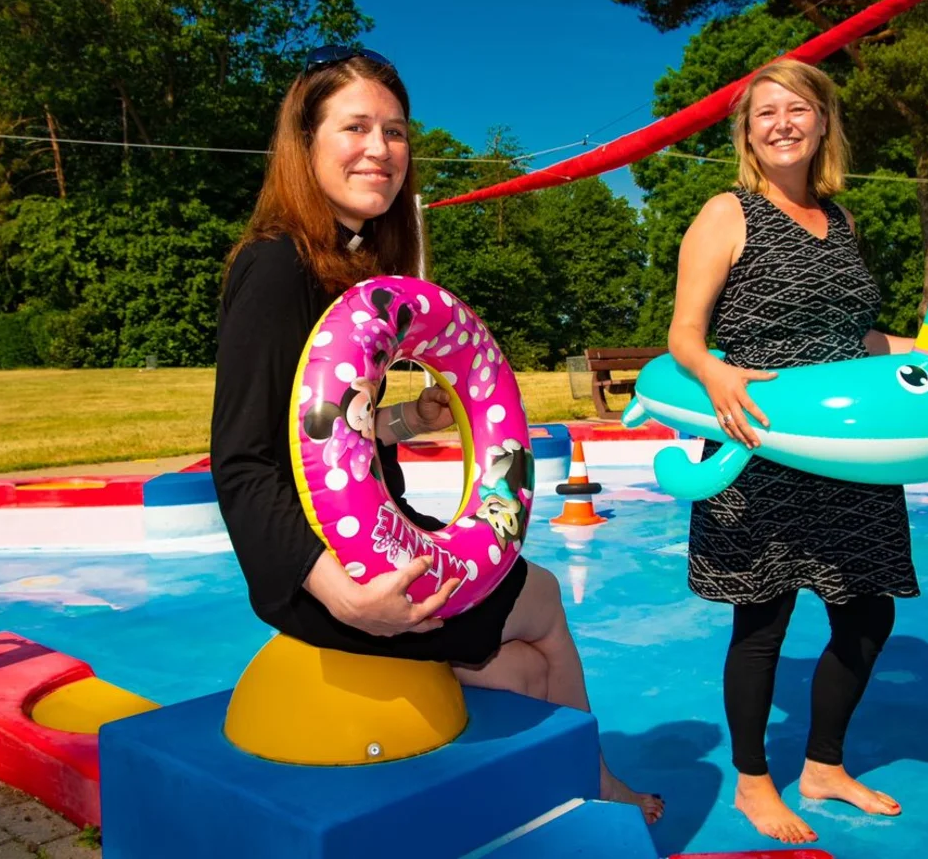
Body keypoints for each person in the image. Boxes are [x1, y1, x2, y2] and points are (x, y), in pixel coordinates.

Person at [209, 45, 662, 824]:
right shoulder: (277, 267)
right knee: (545, 599)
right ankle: (598, 783)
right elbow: (244, 462)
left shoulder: (341, 267)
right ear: (306, 140)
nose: (379, 149)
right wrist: (343, 597)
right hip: (326, 574)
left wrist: (404, 419)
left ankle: (544, 794)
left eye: (395, 131)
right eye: (355, 128)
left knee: (521, 668)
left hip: (366, 546)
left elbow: (315, 431)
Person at [667, 59, 918, 844]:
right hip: (758, 439)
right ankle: (751, 782)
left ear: (822, 122)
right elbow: (683, 334)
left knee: (867, 611)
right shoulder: (727, 212)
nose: (780, 122)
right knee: (763, 619)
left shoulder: (842, 222)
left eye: (796, 108)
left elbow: (855, 335)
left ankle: (824, 765)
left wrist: (924, 358)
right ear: (747, 132)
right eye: (763, 112)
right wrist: (715, 374)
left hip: (851, 450)